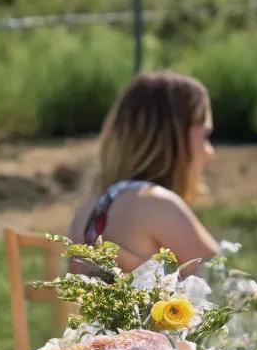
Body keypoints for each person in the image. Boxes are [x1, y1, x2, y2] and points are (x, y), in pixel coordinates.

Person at [70, 71, 219, 271]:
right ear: (173, 138)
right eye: (205, 135)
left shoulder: (86, 214)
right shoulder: (158, 206)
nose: (210, 152)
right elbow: (228, 283)